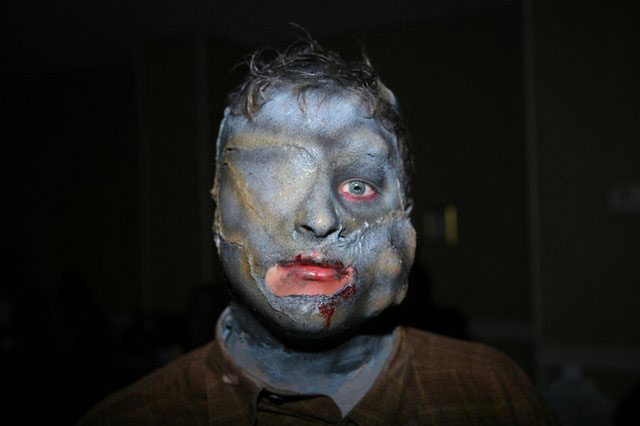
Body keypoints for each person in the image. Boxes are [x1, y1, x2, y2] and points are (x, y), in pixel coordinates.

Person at [79, 39, 558, 425]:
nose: (321, 219)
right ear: (218, 213)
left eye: (358, 185)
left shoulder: (494, 396)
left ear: (404, 224)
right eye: (277, 182)